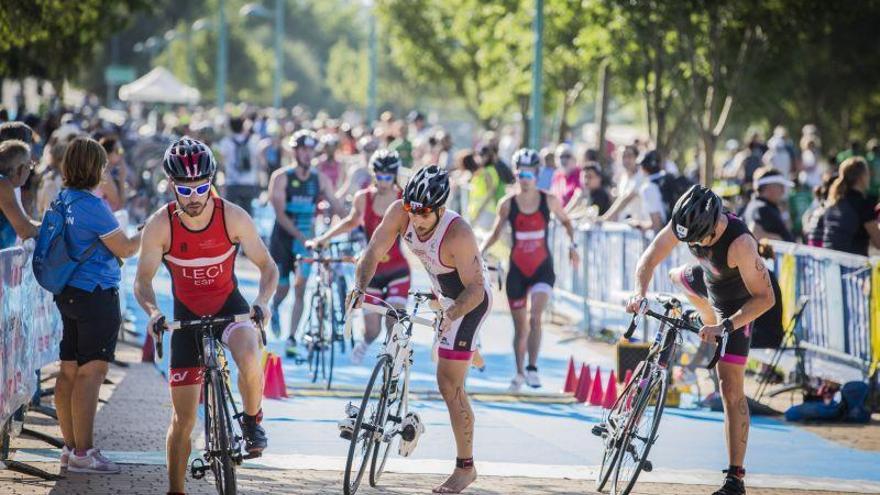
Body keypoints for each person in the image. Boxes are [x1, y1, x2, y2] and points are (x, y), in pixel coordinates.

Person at [134, 137, 278, 495]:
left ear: (212, 182)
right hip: (186, 317)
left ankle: (251, 419)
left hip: (230, 307)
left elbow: (268, 266)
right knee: (182, 420)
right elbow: (142, 282)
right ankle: (175, 490)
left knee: (248, 352)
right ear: (172, 186)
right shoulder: (160, 225)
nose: (195, 196)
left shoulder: (232, 216)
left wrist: (263, 300)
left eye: (202, 187)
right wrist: (153, 312)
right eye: (186, 189)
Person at [623, 185, 775, 495]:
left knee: (730, 386)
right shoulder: (685, 220)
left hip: (736, 306)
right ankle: (703, 319)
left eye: (697, 240)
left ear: (714, 226)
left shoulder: (741, 243)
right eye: (687, 239)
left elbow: (765, 298)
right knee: (674, 275)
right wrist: (638, 293)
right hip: (704, 283)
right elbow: (649, 258)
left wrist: (726, 326)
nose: (691, 243)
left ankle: (735, 479)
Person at [348, 165, 492, 494]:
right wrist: (359, 287)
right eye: (411, 207)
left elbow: (476, 291)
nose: (415, 217)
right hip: (441, 294)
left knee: (447, 383)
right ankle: (468, 351)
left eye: (424, 211)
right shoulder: (401, 211)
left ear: (441, 209)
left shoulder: (459, 234)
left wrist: (451, 313)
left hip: (469, 302)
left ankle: (465, 468)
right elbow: (373, 251)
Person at [53, 137, 142, 474]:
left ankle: (71, 447)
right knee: (92, 372)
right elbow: (125, 249)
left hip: (69, 291)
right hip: (96, 292)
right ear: (95, 168)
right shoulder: (93, 205)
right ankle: (84, 452)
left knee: (69, 370)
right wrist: (146, 232)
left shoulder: (62, 199)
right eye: (103, 165)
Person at [480, 148, 579, 391]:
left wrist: (573, 245)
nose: (526, 178)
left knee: (535, 317)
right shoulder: (507, 204)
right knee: (520, 326)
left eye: (530, 173)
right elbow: (494, 233)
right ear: (516, 174)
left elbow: (566, 221)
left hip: (542, 269)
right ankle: (519, 372)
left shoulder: (548, 199)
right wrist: (479, 253)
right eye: (521, 173)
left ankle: (533, 368)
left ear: (537, 174)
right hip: (517, 272)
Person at [307, 149, 411, 364]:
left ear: (395, 176)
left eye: (388, 177)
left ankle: (392, 365)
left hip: (397, 270)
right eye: (379, 176)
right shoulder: (363, 197)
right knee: (372, 330)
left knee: (393, 320)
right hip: (371, 270)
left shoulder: (404, 200)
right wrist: (324, 238)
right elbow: (351, 222)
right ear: (373, 174)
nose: (383, 181)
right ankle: (365, 344)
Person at [267, 129, 343, 357]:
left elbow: (338, 207)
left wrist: (358, 223)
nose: (308, 154)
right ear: (294, 152)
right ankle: (275, 306)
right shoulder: (281, 177)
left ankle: (291, 338)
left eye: (311, 150)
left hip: (306, 241)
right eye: (303, 150)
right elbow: (280, 214)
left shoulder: (319, 178)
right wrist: (301, 236)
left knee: (300, 287)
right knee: (283, 287)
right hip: (283, 239)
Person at [821, 157, 880, 256]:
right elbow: (878, 242)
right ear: (862, 177)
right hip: (852, 267)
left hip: (829, 264)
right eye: (868, 173)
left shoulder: (834, 201)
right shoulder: (862, 204)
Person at [0, 140, 38, 248]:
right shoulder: (2, 184)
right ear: (21, 169)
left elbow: (25, 222)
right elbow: (25, 231)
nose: (30, 171)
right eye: (30, 165)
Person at [219, 116, 260, 216]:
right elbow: (257, 160)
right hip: (249, 182)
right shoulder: (252, 141)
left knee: (229, 215)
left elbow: (222, 163)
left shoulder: (226, 142)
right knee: (248, 214)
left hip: (232, 182)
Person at [741, 167, 795, 242]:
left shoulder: (757, 206)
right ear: (769, 187)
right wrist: (781, 241)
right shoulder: (762, 208)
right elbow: (755, 232)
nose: (783, 191)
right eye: (780, 186)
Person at [96, 136, 127, 212]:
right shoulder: (104, 175)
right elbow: (119, 206)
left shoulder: (102, 170)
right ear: (108, 154)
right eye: (118, 151)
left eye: (121, 151)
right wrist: (122, 179)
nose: (121, 154)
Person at [550, 143, 581, 207]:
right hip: (558, 214)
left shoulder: (581, 174)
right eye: (561, 156)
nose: (564, 160)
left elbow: (581, 198)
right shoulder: (556, 176)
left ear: (574, 158)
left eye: (567, 156)